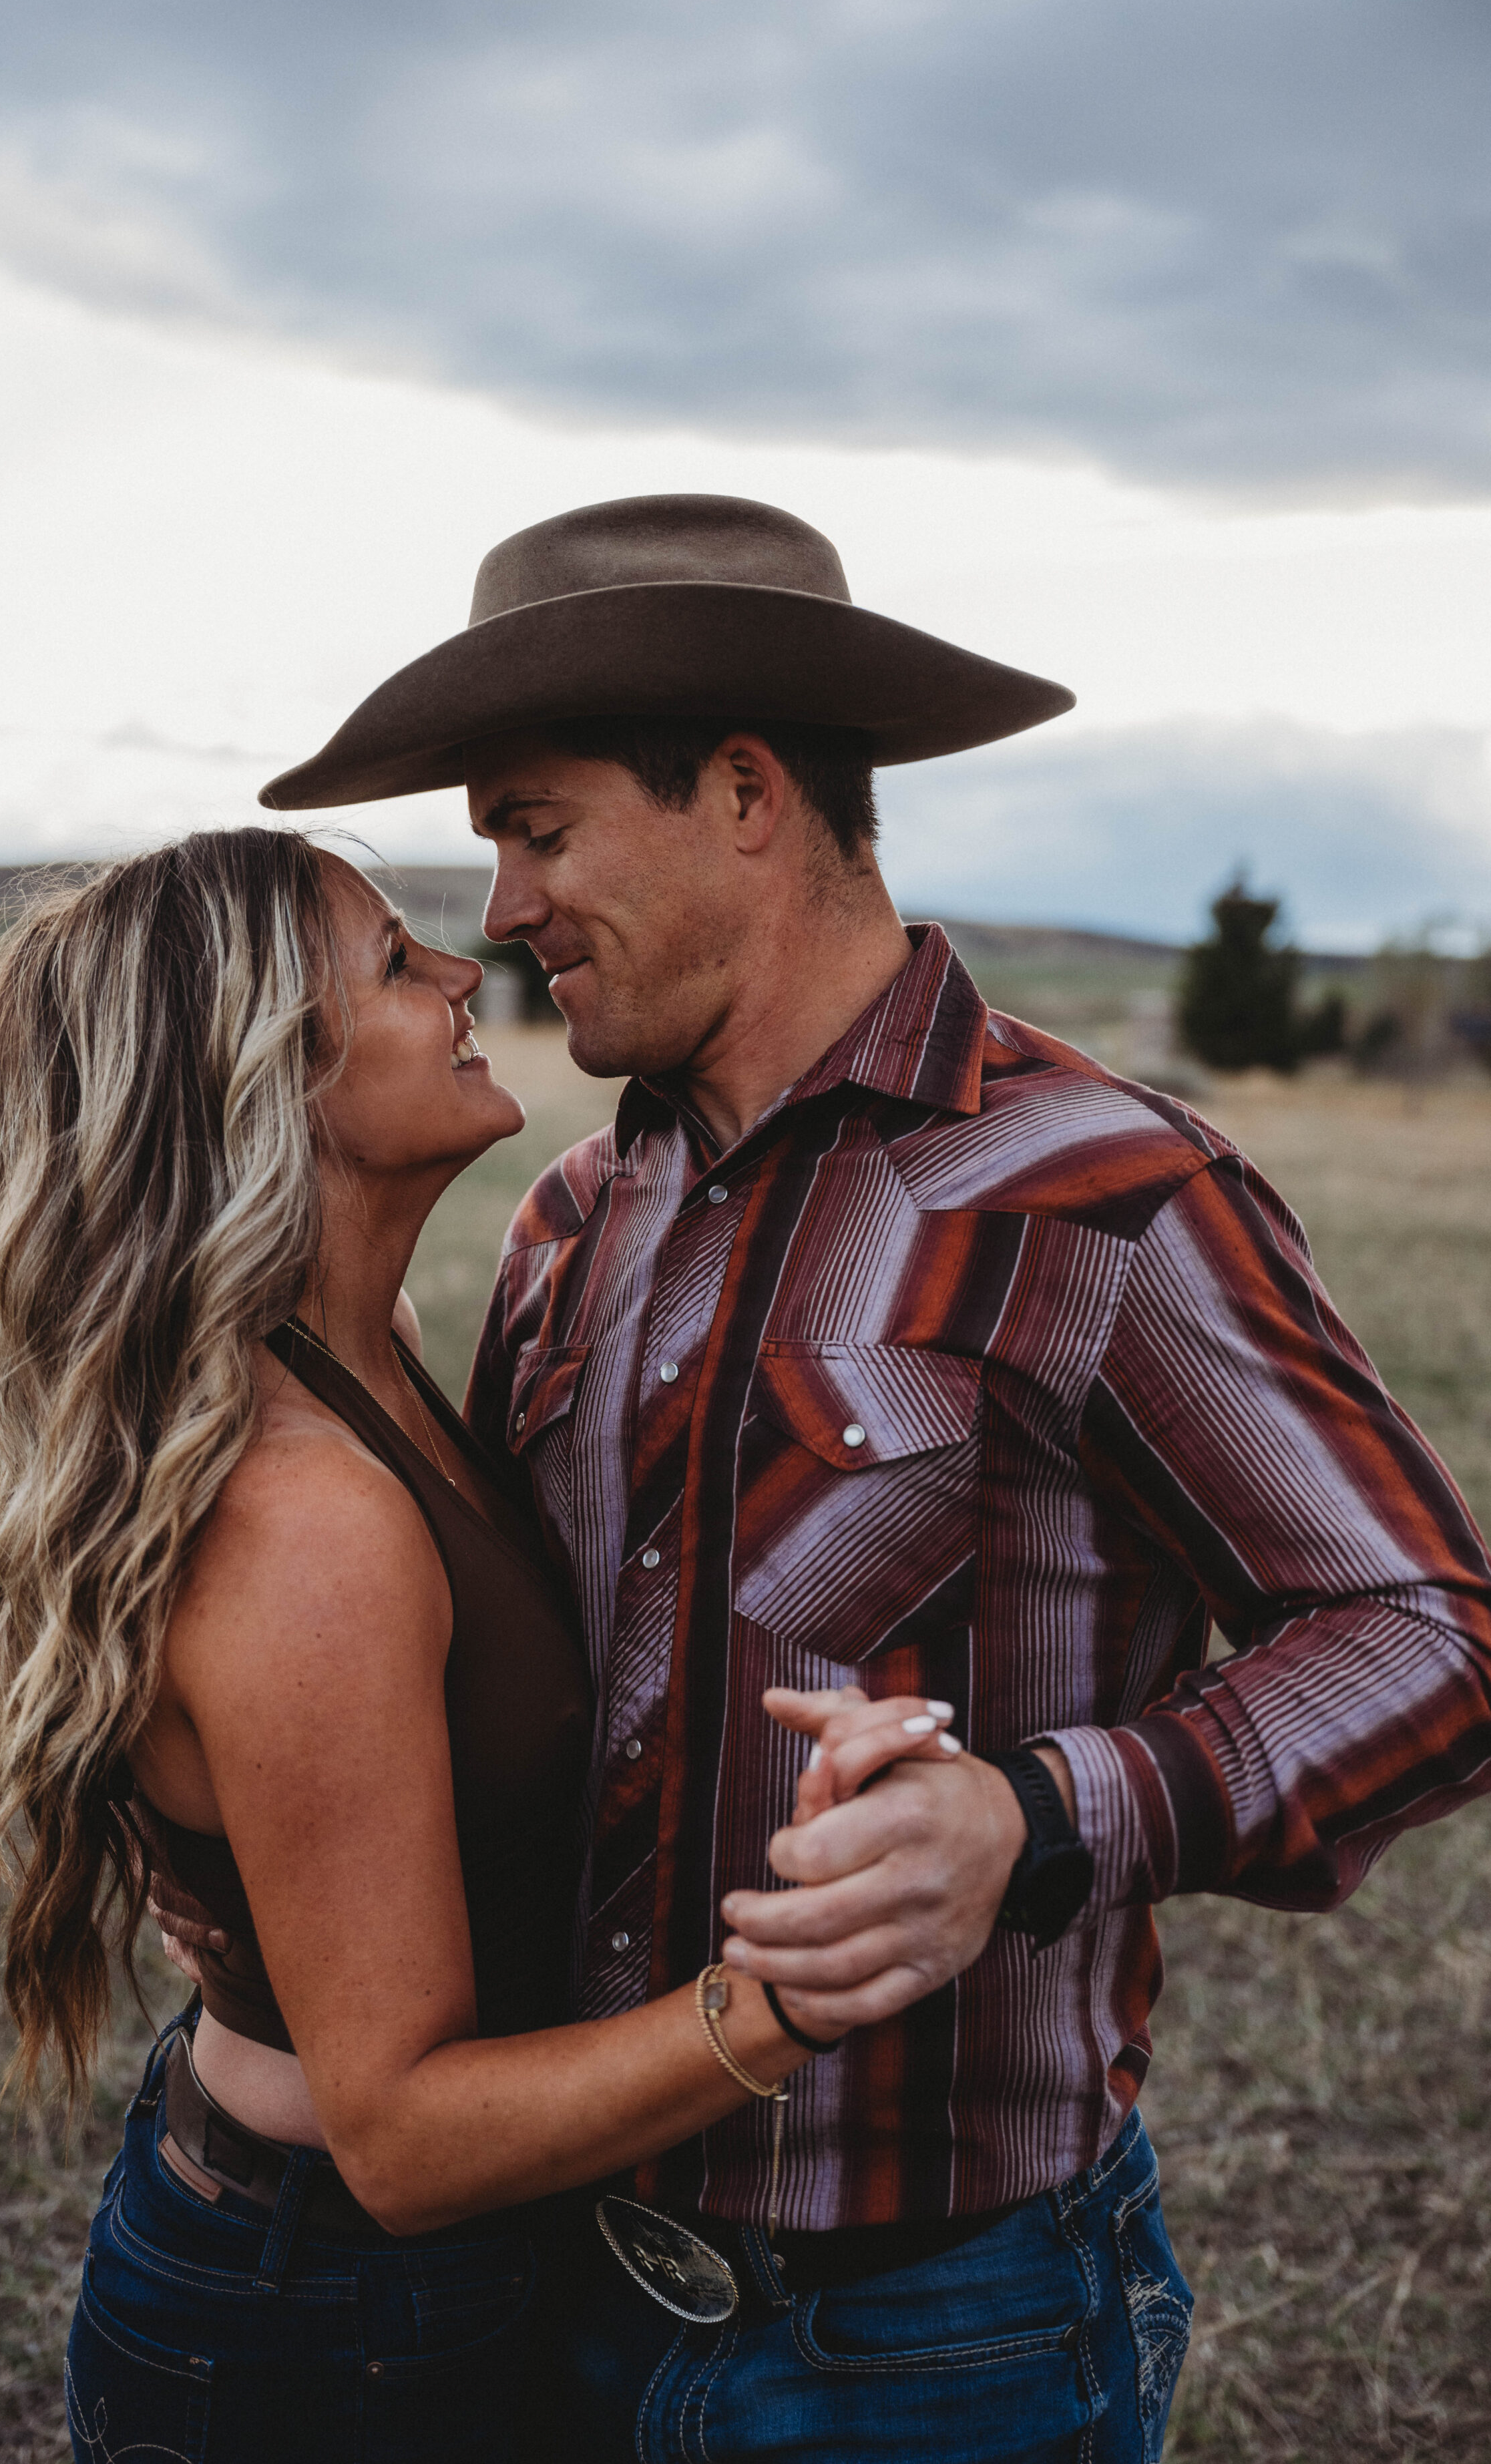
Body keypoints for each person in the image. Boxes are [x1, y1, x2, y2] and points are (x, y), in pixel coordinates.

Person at [254, 491, 1491, 2461]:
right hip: (544, 2287)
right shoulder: (577, 1216)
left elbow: (1430, 1631)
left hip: (941, 2341)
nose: (500, 914)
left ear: (745, 793)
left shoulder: (1106, 1188)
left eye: (539, 829)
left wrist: (1037, 1819)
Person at [0, 828, 933, 2463]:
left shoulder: (362, 1371)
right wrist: (793, 1996)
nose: (467, 972)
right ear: (259, 1083)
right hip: (332, 2321)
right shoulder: (310, 1520)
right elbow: (402, 2137)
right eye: (393, 962)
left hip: (381, 2280)